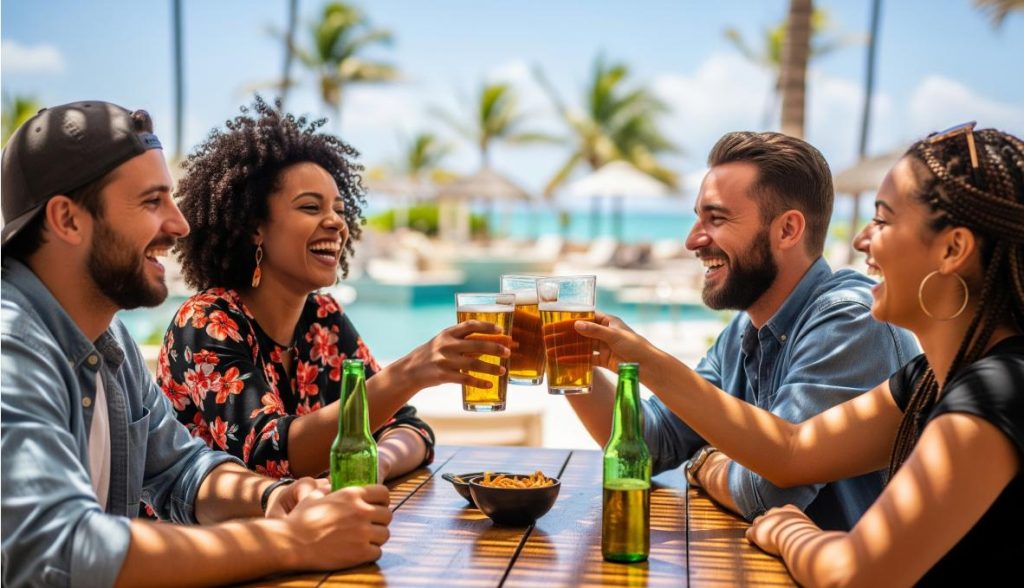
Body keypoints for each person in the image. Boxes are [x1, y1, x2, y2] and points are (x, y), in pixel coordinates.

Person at [575, 124, 1024, 584]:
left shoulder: (997, 391)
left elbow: (851, 571)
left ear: (953, 249)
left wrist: (789, 530)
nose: (860, 240)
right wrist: (575, 358)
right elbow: (789, 452)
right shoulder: (929, 379)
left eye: (884, 220)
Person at [1, 101, 392, 587]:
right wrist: (294, 542)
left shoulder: (106, 339)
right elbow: (61, 549)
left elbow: (181, 468)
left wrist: (272, 499)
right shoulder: (12, 350)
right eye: (151, 202)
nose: (179, 224)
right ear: (68, 219)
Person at [566, 131, 919, 531]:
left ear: (787, 230)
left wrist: (701, 460)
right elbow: (650, 443)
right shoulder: (745, 327)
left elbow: (767, 493)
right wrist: (566, 363)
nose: (692, 240)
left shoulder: (849, 321)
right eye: (698, 217)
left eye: (715, 218)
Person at [157, 97, 509, 483]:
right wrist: (411, 372)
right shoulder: (208, 321)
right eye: (311, 207)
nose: (336, 223)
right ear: (255, 226)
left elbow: (410, 430)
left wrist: (374, 465)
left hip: (304, 536)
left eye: (340, 210)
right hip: (202, 541)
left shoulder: (323, 319)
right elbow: (270, 454)